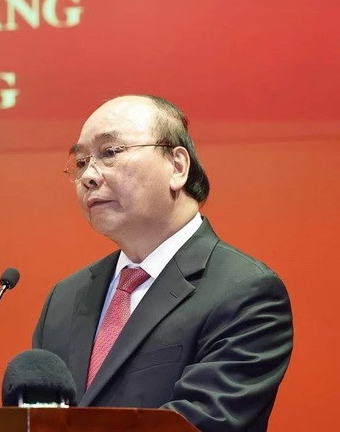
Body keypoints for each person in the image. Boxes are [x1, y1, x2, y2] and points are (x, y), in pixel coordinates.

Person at [33, 95, 293, 431]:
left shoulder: (245, 292)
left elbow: (201, 422)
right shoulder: (64, 298)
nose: (88, 177)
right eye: (82, 161)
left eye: (110, 152)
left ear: (177, 166)